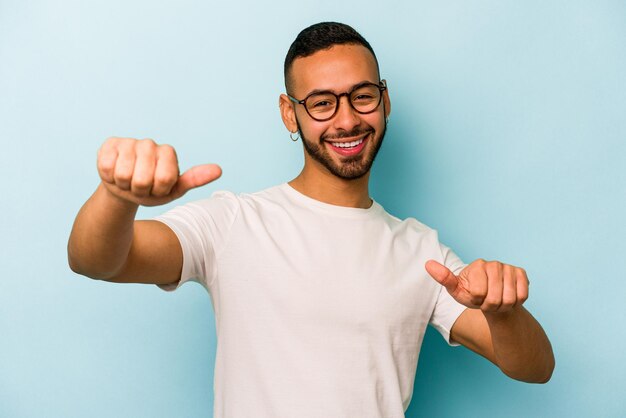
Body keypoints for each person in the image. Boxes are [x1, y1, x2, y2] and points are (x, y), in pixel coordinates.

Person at [68, 22, 554, 418]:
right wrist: (116, 197)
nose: (346, 121)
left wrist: (502, 310)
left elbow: (534, 367)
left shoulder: (421, 251)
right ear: (289, 113)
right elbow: (98, 261)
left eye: (362, 96)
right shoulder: (234, 222)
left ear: (385, 100)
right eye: (322, 103)